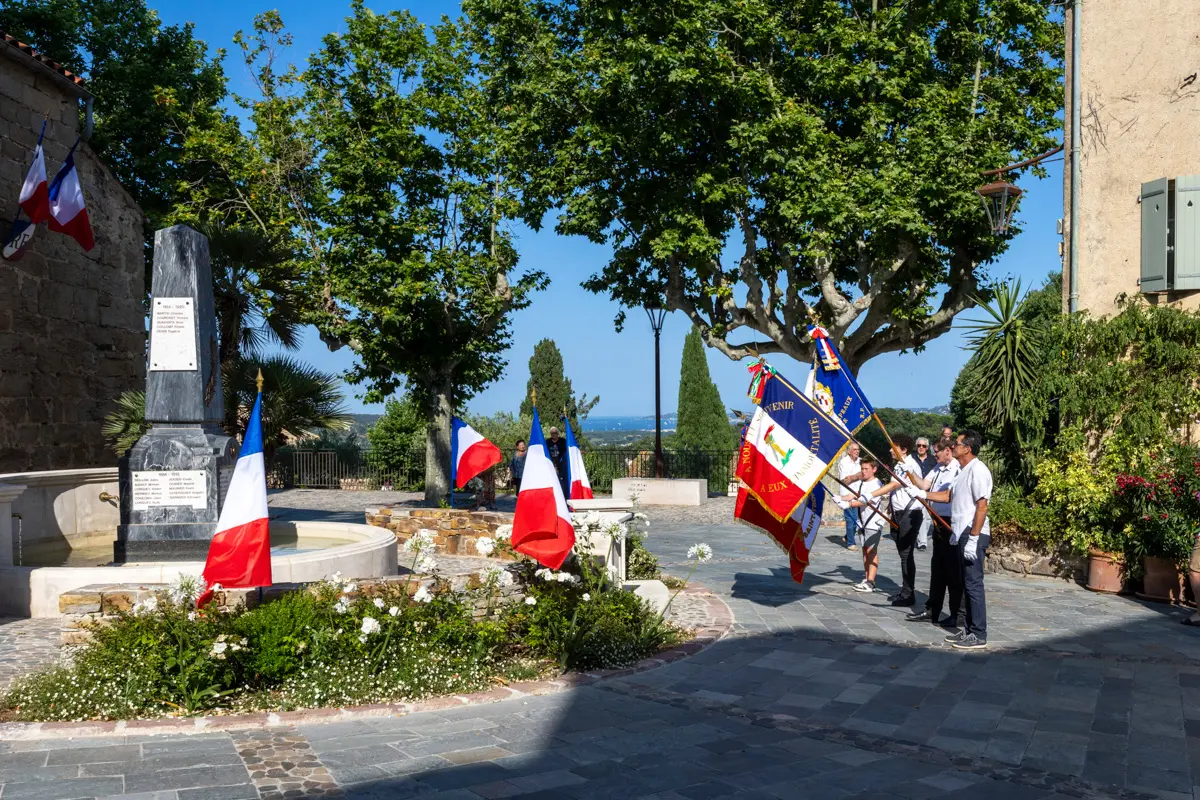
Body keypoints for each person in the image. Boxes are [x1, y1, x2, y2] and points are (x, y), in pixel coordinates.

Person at [913, 429, 993, 650]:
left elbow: (982, 506)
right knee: (967, 584)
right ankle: (969, 630)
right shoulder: (963, 471)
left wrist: (974, 538)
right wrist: (921, 494)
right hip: (962, 532)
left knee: (973, 585)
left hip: (972, 532)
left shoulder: (978, 470)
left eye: (957, 444)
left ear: (967, 448)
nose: (953, 446)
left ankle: (979, 633)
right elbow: (948, 496)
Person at [903, 437, 962, 630]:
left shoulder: (957, 469)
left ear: (948, 451)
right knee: (937, 569)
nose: (934, 454)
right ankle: (932, 608)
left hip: (950, 522)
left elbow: (948, 496)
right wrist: (909, 472)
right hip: (937, 523)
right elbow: (924, 485)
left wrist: (924, 495)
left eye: (937, 450)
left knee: (954, 572)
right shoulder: (937, 468)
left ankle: (958, 614)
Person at [863, 433, 924, 607]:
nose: (890, 449)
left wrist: (870, 495)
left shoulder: (909, 465)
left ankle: (908, 593)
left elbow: (895, 485)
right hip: (898, 512)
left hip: (910, 513)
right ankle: (905, 590)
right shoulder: (899, 464)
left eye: (893, 446)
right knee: (902, 554)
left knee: (906, 554)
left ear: (903, 449)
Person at [838, 456, 886, 593]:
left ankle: (871, 582)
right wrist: (840, 498)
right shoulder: (862, 483)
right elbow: (854, 496)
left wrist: (848, 504)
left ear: (874, 469)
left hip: (873, 522)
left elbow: (865, 501)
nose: (863, 471)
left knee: (872, 550)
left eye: (866, 469)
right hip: (862, 522)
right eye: (862, 468)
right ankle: (867, 579)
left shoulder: (877, 484)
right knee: (865, 550)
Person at [836, 443, 864, 550]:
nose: (857, 451)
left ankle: (848, 537)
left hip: (859, 494)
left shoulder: (861, 461)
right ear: (849, 451)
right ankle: (851, 543)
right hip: (848, 494)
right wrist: (858, 475)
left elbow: (866, 474)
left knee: (856, 520)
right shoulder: (844, 463)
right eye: (855, 449)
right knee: (851, 519)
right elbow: (845, 481)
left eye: (858, 449)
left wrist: (854, 477)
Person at [913, 437, 936, 551]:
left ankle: (920, 536)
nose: (921, 448)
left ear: (927, 448)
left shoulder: (933, 460)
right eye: (919, 445)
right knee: (922, 515)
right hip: (916, 491)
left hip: (929, 492)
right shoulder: (912, 459)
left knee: (928, 519)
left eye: (923, 446)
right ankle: (922, 542)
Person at [546, 427, 569, 496]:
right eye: (552, 433)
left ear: (558, 433)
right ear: (550, 434)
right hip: (551, 464)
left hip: (562, 464)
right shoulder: (547, 442)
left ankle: (562, 495)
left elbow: (568, 449)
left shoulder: (563, 441)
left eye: (555, 433)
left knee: (561, 481)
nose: (554, 434)